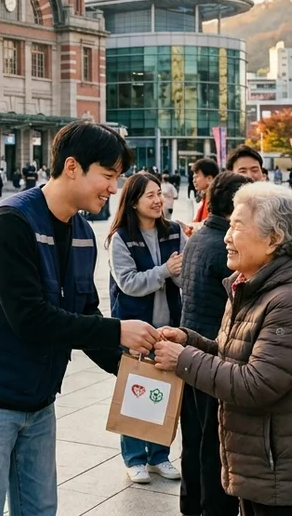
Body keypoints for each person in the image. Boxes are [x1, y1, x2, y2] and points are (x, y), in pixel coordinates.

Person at [0, 121, 158, 516]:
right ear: (73, 167)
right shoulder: (9, 222)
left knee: (39, 509)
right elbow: (31, 319)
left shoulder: (81, 232)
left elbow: (83, 313)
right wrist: (119, 330)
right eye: (108, 176)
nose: (113, 188)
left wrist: (134, 367)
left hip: (38, 399)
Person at [152, 182, 292, 515]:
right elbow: (235, 357)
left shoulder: (290, 300)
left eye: (237, 227)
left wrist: (184, 359)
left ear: (274, 239)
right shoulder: (251, 286)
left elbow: (257, 384)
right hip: (264, 467)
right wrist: (191, 341)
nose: (227, 237)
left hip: (291, 478)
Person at [176, 171, 251, 516]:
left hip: (191, 350)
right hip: (211, 353)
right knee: (214, 447)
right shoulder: (224, 247)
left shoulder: (200, 234)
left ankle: (191, 506)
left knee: (194, 441)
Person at [106, 172, 185, 484]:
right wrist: (165, 270)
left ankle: (160, 455)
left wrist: (175, 273)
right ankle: (135, 457)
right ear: (134, 201)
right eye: (150, 195)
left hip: (169, 327)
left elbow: (184, 275)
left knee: (165, 393)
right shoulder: (121, 238)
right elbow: (128, 284)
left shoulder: (175, 231)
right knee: (136, 392)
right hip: (135, 327)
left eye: (159, 194)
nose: (158, 200)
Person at [190, 157, 220, 227]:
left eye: (196, 177)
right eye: (193, 178)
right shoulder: (205, 196)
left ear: (209, 179)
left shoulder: (216, 200)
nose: (194, 181)